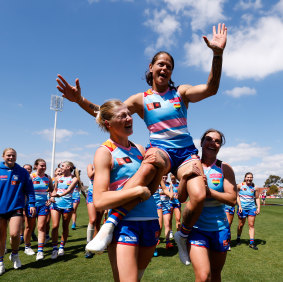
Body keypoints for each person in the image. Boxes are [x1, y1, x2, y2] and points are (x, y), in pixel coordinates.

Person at [56, 23, 227, 264]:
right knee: (150, 165)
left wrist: (217, 54)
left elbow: (211, 88)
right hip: (161, 149)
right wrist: (79, 100)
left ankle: (181, 235)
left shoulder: (181, 93)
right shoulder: (141, 99)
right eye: (161, 63)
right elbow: (107, 113)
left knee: (198, 197)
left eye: (169, 65)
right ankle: (110, 223)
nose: (165, 67)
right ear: (151, 67)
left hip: (187, 152)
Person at [87, 99, 162, 281]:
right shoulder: (104, 152)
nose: (129, 118)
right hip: (125, 224)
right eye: (122, 116)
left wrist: (160, 170)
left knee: (137, 277)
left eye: (129, 114)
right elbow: (100, 201)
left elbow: (150, 187)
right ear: (108, 123)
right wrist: (136, 192)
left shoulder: (140, 149)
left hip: (151, 220)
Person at [178, 129, 237, 280]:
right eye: (209, 139)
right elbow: (181, 198)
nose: (212, 143)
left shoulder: (225, 168)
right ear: (202, 142)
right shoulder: (191, 164)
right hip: (197, 229)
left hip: (220, 229)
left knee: (216, 274)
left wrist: (208, 192)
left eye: (217, 141)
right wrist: (184, 178)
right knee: (204, 276)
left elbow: (232, 199)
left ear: (220, 146)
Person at [0, 148, 35, 276]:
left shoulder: (22, 172)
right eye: (8, 155)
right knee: (1, 236)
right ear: (3, 156)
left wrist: (31, 203)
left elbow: (30, 189)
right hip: (0, 208)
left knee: (14, 234)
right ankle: (1, 263)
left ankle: (15, 254)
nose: (11, 157)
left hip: (16, 207)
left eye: (13, 155)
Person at [23, 159, 54, 261]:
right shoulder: (31, 176)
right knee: (29, 227)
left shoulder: (48, 178)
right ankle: (27, 246)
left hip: (43, 205)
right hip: (31, 205)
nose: (44, 167)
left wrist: (51, 198)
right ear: (36, 166)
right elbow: (24, 190)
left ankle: (40, 251)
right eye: (41, 165)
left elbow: (52, 190)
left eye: (45, 166)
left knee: (41, 227)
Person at [50, 161, 79, 259]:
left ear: (69, 167)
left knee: (65, 226)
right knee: (55, 226)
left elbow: (69, 190)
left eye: (62, 166)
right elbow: (54, 189)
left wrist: (59, 195)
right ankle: (54, 248)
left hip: (67, 205)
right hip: (56, 204)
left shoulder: (74, 179)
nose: (60, 168)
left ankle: (61, 247)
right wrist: (52, 197)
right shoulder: (58, 178)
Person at [236, 172, 260, 250]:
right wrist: (239, 206)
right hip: (242, 208)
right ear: (245, 178)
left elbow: (257, 198)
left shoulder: (255, 187)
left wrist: (258, 208)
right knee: (241, 225)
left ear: (252, 178)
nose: (249, 179)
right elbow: (237, 196)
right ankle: (238, 238)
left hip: (251, 208)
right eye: (248, 177)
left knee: (251, 225)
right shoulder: (240, 186)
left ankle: (251, 243)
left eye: (251, 177)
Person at [85, 164, 104, 259]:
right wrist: (99, 166)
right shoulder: (91, 166)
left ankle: (95, 245)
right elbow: (90, 175)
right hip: (92, 194)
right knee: (92, 220)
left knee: (98, 223)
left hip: (102, 195)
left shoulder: (107, 166)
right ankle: (88, 247)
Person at [160, 175, 174, 249]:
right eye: (163, 178)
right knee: (159, 226)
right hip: (158, 206)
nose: (164, 179)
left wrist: (171, 187)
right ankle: (156, 241)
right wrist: (163, 192)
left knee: (167, 224)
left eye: (166, 178)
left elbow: (171, 196)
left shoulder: (168, 185)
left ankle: (168, 242)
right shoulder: (157, 184)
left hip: (166, 206)